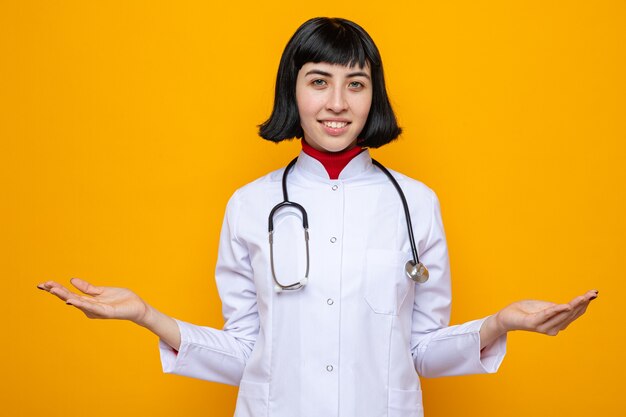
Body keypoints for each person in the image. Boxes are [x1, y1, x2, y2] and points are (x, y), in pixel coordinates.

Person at [37, 17, 597, 417]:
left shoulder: (415, 203)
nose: (337, 103)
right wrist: (146, 317)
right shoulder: (250, 205)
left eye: (356, 84)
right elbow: (246, 353)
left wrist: (499, 324)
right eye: (319, 81)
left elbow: (421, 351)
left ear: (373, 97)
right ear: (294, 90)